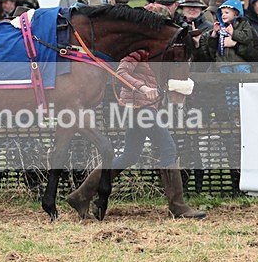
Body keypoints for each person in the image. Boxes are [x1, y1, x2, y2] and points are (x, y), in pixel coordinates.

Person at [67, 49, 205, 219]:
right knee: (168, 147)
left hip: (142, 108)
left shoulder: (156, 53)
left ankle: (80, 195)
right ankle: (178, 206)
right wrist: (142, 87)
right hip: (140, 109)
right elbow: (121, 73)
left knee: (129, 156)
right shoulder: (139, 50)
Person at [196, 0, 258, 71]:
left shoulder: (244, 24)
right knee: (226, 81)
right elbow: (212, 46)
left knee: (243, 79)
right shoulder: (221, 27)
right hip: (223, 64)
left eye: (226, 13)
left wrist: (233, 33)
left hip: (239, 63)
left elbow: (246, 38)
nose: (223, 15)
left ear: (236, 14)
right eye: (222, 13)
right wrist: (214, 33)